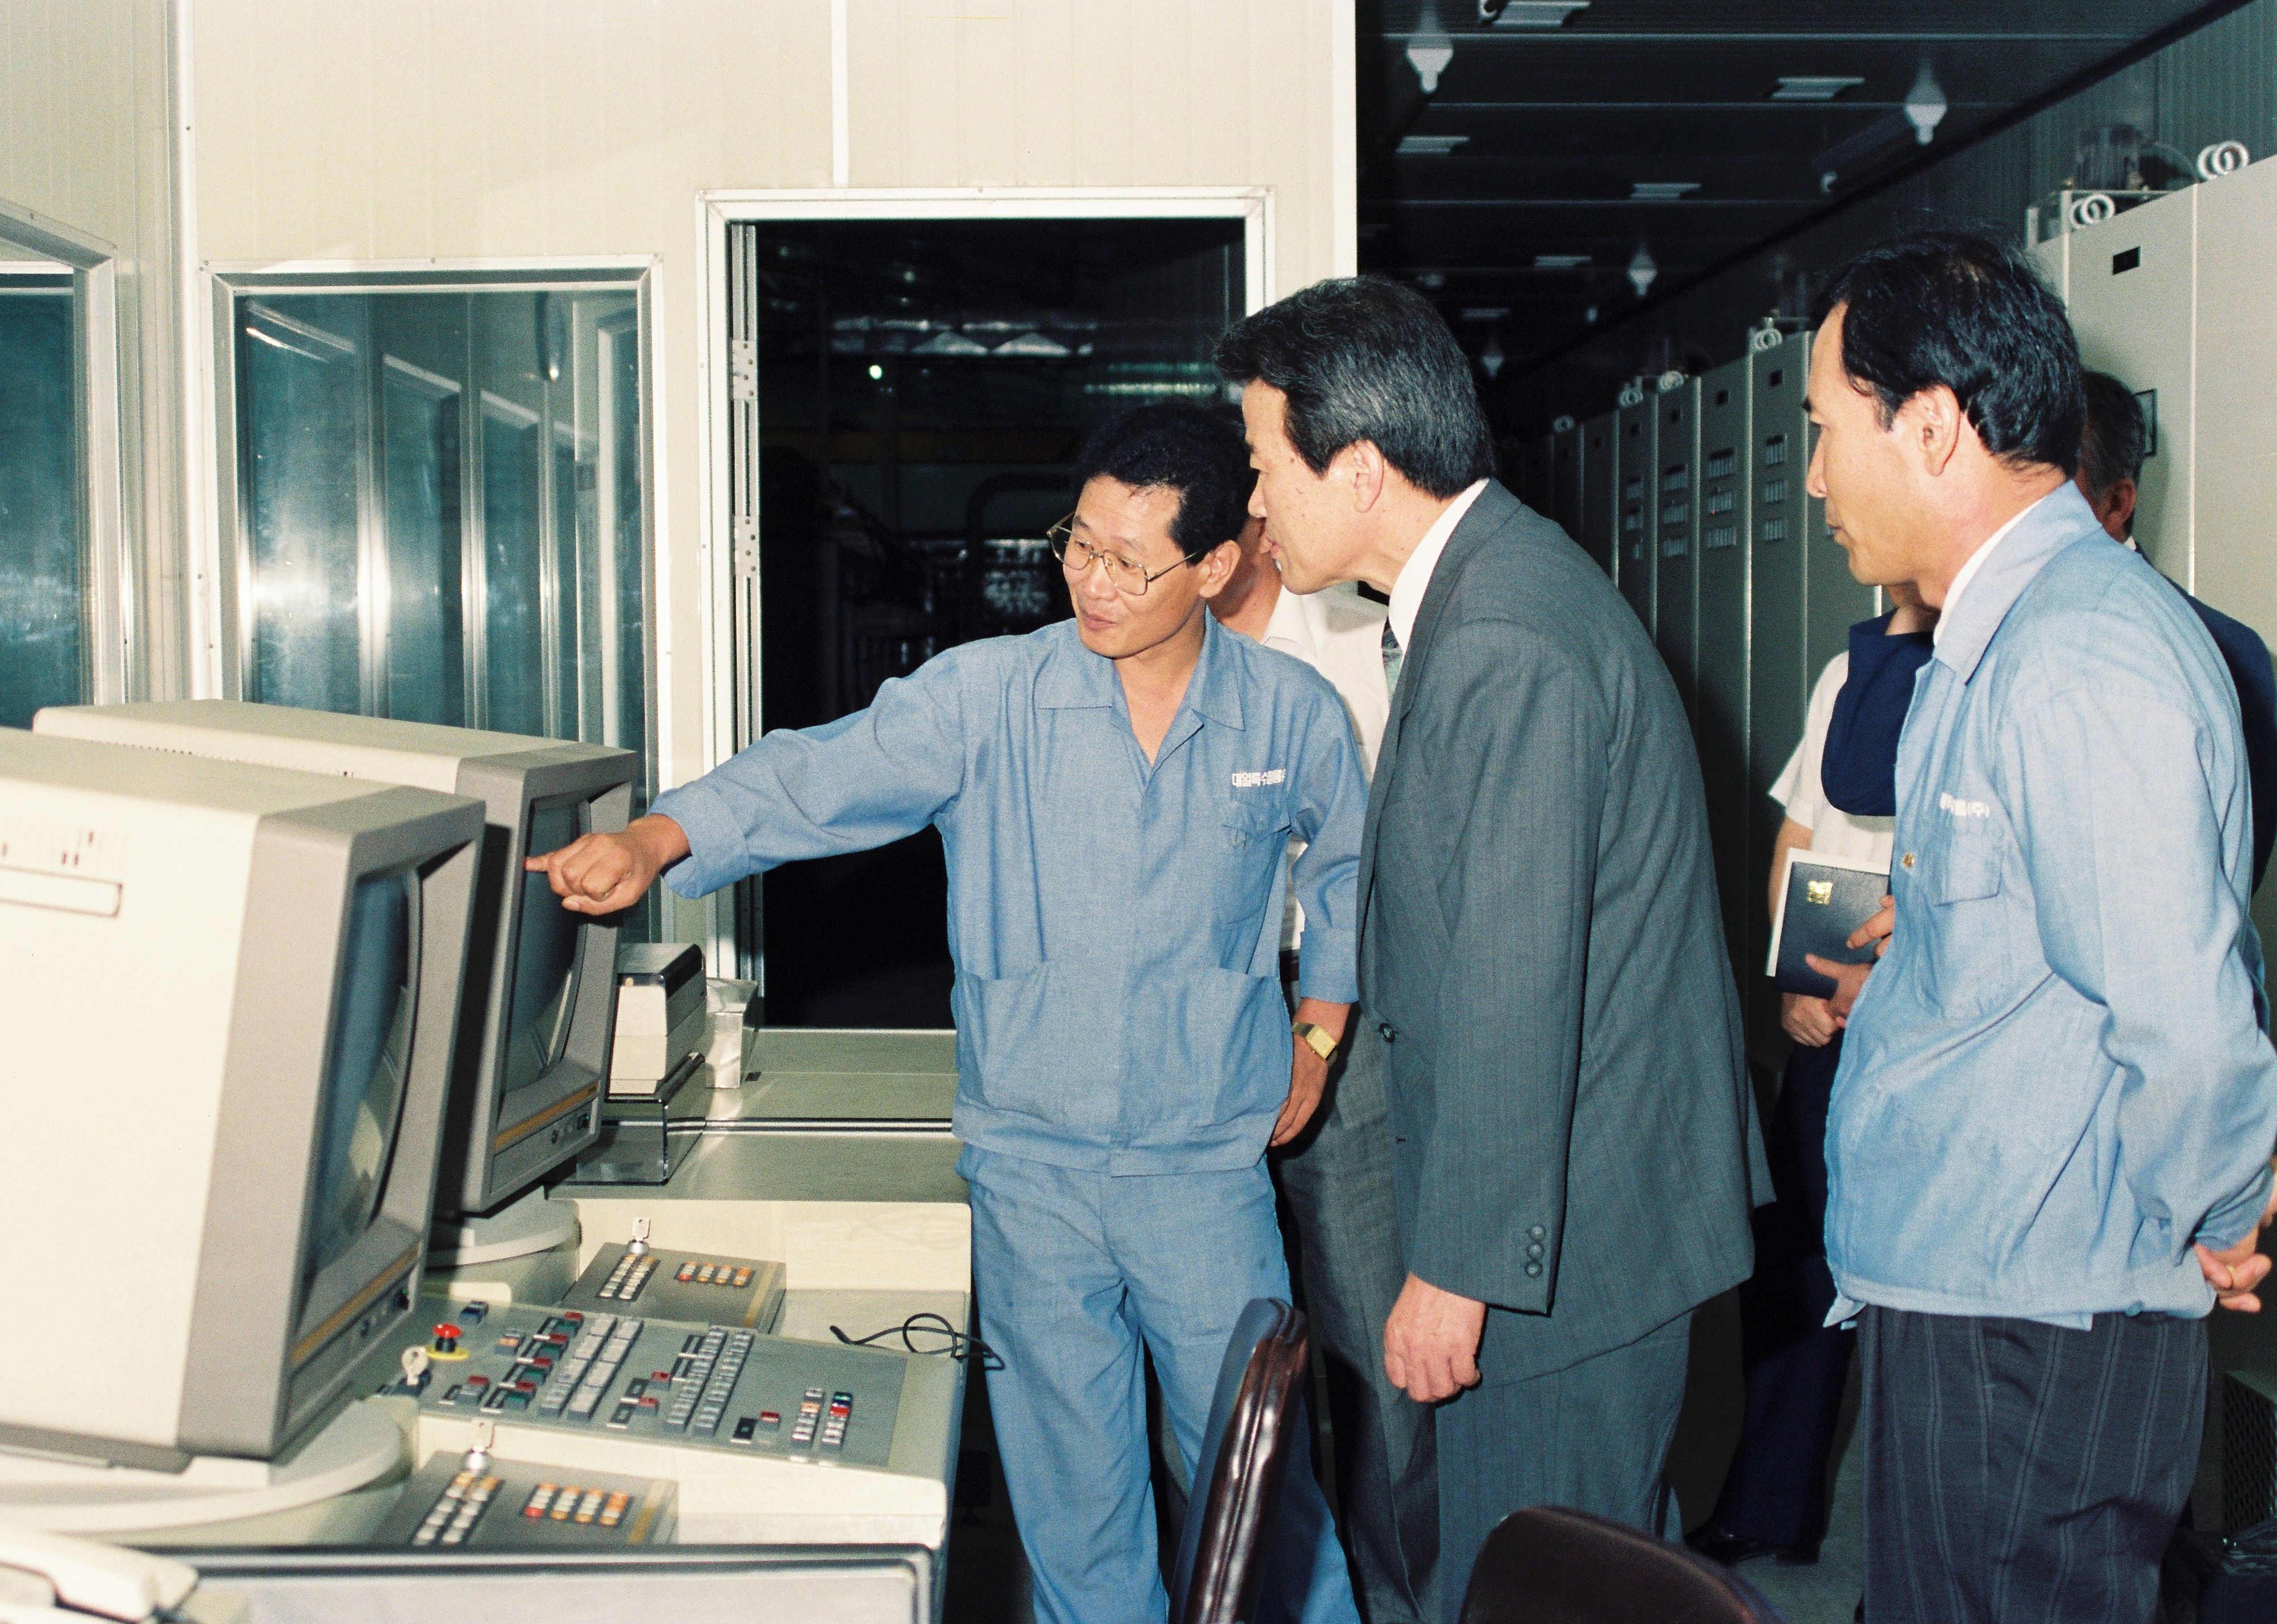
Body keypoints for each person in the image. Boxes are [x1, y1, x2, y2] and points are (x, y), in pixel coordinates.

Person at [532, 402, 1366, 1624]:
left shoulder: (1290, 713)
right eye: (1078, 544)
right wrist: (661, 836)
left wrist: (1319, 1028)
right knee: (1076, 1515)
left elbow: (1346, 869)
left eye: (1130, 562)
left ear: (1214, 567)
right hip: (1031, 1171)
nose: (1092, 581)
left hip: (1205, 1167)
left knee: (1262, 1491)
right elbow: (819, 772)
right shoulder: (988, 697)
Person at [1216, 277, 1765, 1622]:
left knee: (1539, 1580)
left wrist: (1454, 1269)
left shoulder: (1504, 635)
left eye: (1264, 465)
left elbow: (1513, 985)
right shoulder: (1480, 593)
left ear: (1358, 468)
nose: (1254, 504)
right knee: (1583, 1571)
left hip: (1562, 1249)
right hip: (1565, 1219)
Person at [1803, 230, 2277, 1624]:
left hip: (2037, 1319)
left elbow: (2184, 1009)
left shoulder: (2075, 654)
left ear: (1932, 428)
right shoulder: (1994, 637)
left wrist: (2224, 1207)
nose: (1816, 475)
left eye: (1827, 430)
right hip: (1982, 1285)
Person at [1210, 515, 1437, 1624]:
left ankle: (1402, 1596)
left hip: (1340, 1000)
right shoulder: (1147, 654)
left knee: (1365, 1321)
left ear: (1246, 531)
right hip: (1206, 1011)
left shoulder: (1364, 642)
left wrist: (1318, 1034)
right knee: (1226, 1342)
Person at [1686, 583, 1933, 1572]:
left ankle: (1910, 1561)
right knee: (1795, 1260)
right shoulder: (1850, 672)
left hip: (1923, 1023)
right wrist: (1792, 977)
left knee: (1919, 1301)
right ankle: (1769, 1505)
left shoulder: (1994, 671)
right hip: (1828, 1008)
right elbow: (1801, 836)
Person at [2074, 367, 2276, 894]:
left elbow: (2226, 888)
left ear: (2116, 504)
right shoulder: (1966, 633)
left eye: (2050, 491)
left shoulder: (2231, 652)